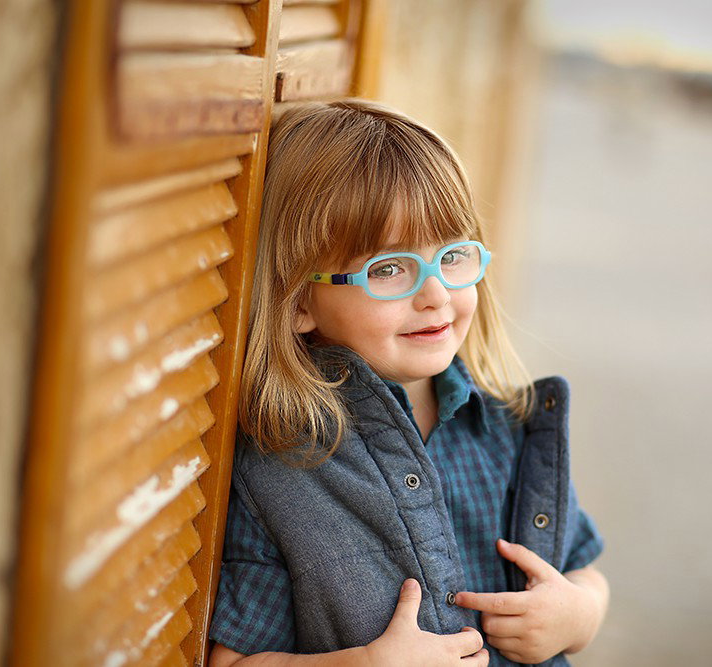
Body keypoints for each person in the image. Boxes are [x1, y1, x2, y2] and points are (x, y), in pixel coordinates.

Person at [208, 99, 608, 666]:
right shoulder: (281, 467)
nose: (436, 295)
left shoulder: (507, 422)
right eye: (389, 269)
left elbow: (583, 569)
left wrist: (579, 614)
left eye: (451, 256)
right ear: (300, 301)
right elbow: (234, 662)